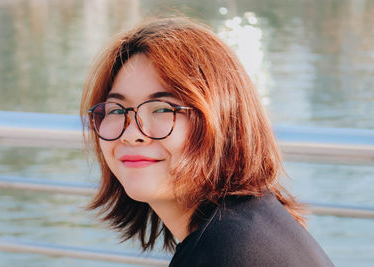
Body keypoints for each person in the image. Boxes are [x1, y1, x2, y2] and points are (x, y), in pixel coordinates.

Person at [80, 17, 334, 266]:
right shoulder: (246, 227)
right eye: (115, 110)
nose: (131, 133)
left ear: (223, 121)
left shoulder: (227, 252)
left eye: (162, 109)